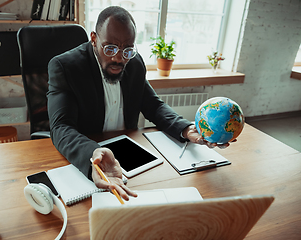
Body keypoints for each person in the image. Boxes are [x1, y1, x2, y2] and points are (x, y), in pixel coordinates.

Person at [47, 6, 232, 201]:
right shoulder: (65, 67)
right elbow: (61, 127)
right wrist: (92, 154)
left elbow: (154, 105)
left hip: (130, 155)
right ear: (94, 38)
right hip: (91, 156)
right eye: (110, 48)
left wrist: (186, 129)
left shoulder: (134, 63)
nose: (118, 58)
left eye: (127, 50)